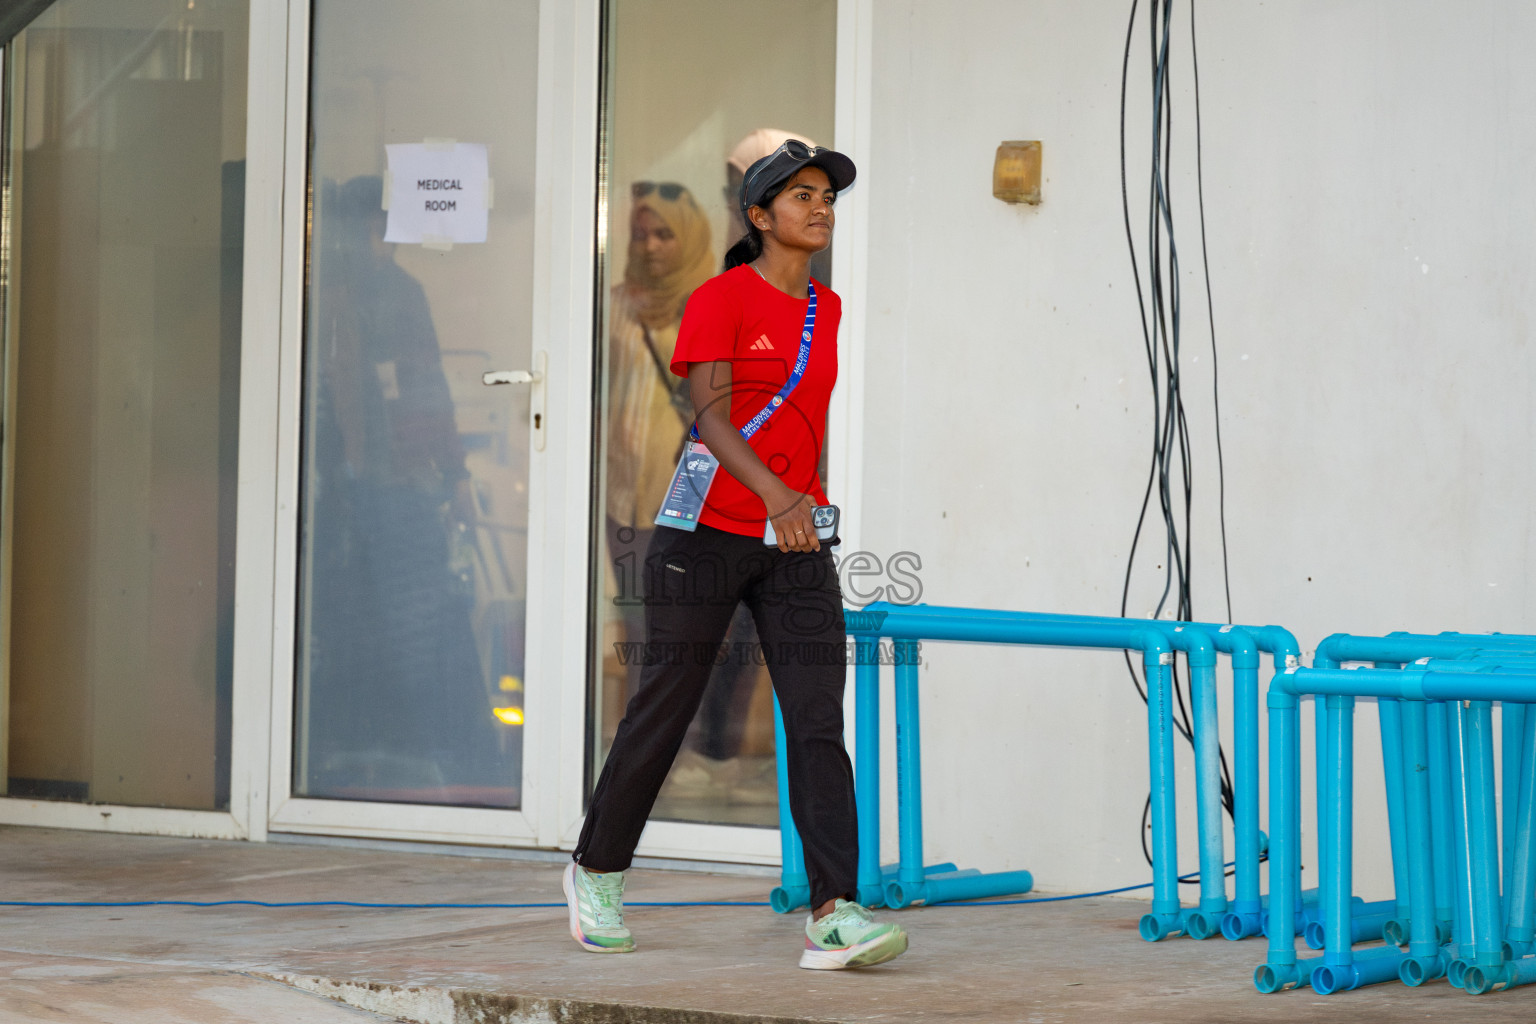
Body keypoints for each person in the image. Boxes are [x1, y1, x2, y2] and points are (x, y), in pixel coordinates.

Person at [566, 141, 909, 970]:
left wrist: (807, 497)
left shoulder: (825, 309)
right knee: (665, 708)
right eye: (800, 196)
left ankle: (834, 911)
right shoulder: (722, 298)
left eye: (827, 195)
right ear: (759, 218)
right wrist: (779, 497)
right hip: (704, 537)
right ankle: (597, 870)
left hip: (792, 545)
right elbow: (711, 416)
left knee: (817, 721)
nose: (820, 208)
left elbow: (800, 420)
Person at [603, 182, 716, 715]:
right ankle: (636, 736)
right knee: (633, 621)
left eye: (664, 235)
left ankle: (685, 744)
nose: (649, 247)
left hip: (683, 486)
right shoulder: (617, 305)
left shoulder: (711, 303)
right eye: (640, 234)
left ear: (689, 237)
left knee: (678, 622)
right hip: (620, 494)